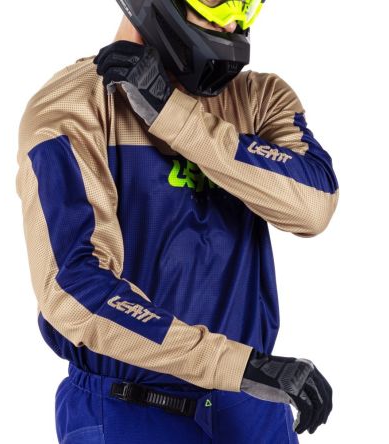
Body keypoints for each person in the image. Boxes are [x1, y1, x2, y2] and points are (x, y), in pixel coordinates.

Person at [17, 1, 339, 442]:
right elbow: (74, 288)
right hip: (131, 410)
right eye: (215, 2)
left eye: (247, 5)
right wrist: (240, 366)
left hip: (250, 405)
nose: (233, 21)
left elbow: (313, 206)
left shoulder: (260, 99)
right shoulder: (72, 107)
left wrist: (172, 114)